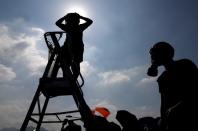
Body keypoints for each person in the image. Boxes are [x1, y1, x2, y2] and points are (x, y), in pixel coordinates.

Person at [147, 42, 198, 131]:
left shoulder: (185, 64)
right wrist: (162, 121)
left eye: (155, 53)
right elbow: (164, 104)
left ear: (165, 53)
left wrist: (176, 108)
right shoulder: (162, 78)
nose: (153, 56)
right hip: (172, 119)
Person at [56, 12, 93, 80]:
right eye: (70, 19)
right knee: (66, 66)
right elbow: (57, 23)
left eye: (73, 19)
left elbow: (90, 21)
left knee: (75, 68)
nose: (72, 21)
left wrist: (80, 16)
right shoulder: (69, 27)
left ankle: (72, 80)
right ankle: (68, 79)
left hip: (77, 49)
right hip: (68, 49)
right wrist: (65, 17)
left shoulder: (78, 27)